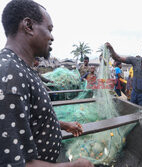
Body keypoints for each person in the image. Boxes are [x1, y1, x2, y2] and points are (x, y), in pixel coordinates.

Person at [0, 0, 93, 166]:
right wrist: (73, 165)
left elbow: (28, 119)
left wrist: (63, 125)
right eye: (49, 29)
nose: (52, 37)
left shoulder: (22, 68)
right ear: (28, 26)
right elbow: (13, 162)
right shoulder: (10, 74)